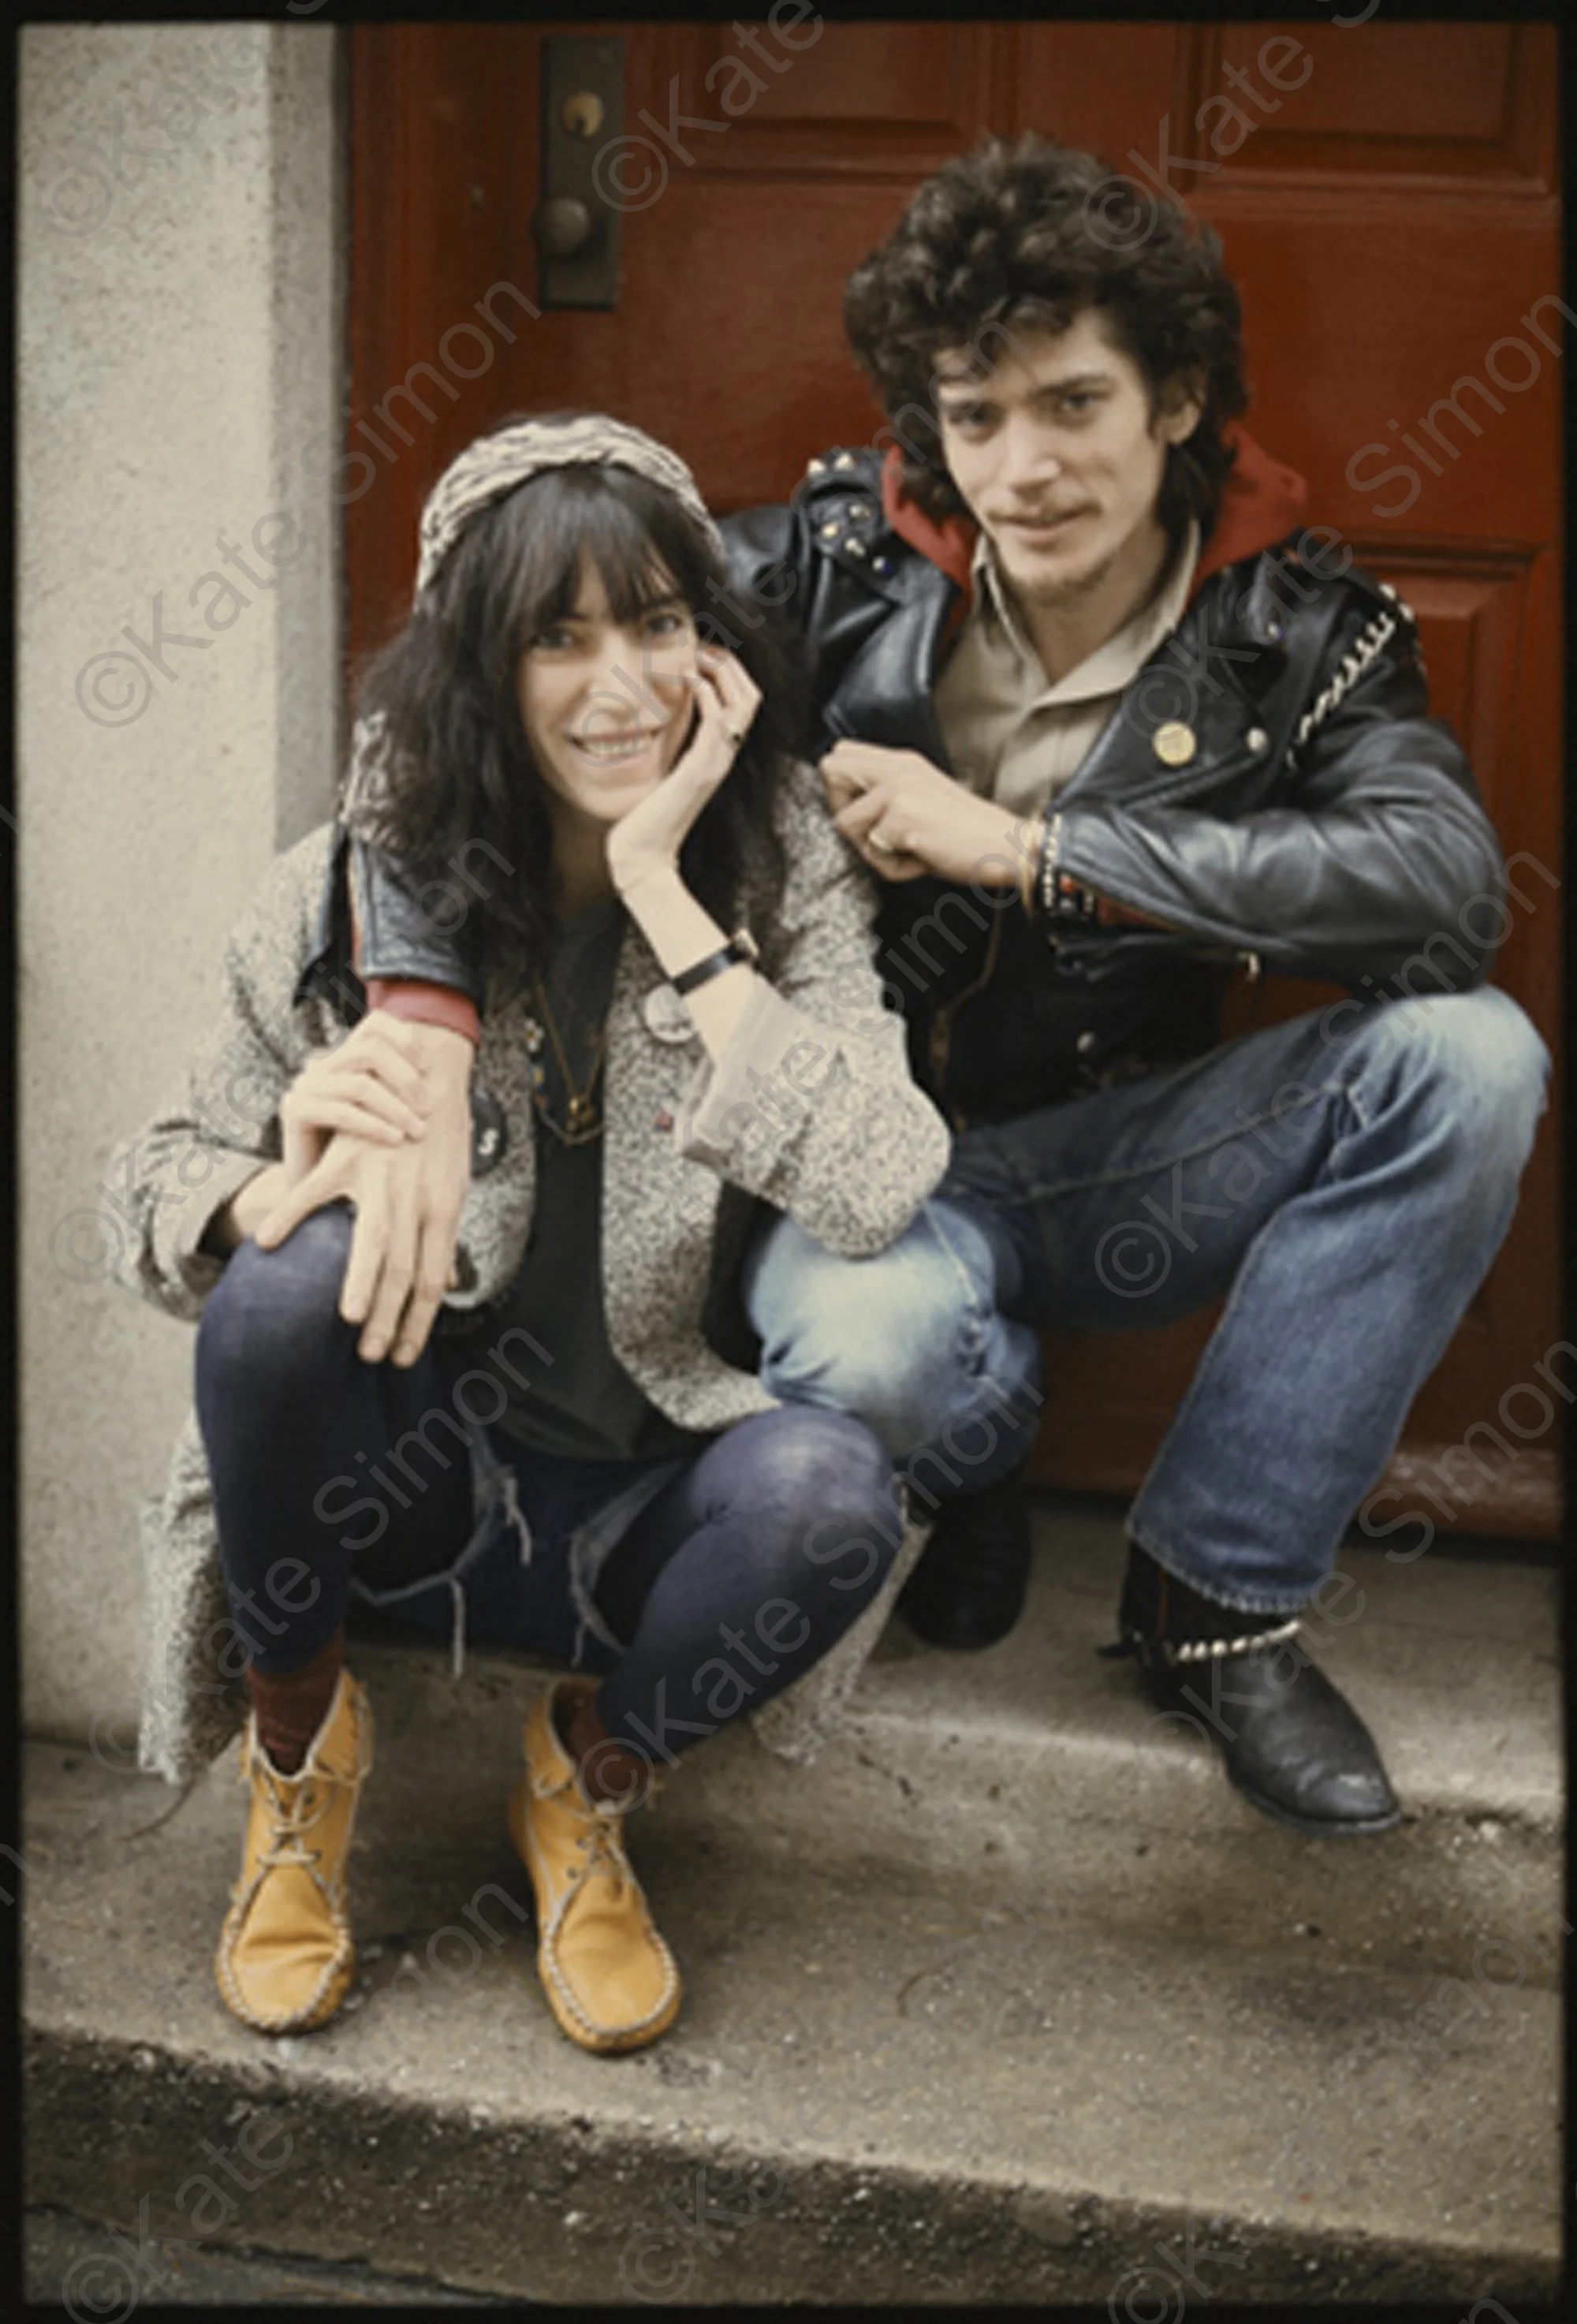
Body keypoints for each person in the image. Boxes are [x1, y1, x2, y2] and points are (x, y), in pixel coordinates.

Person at [348, 142, 1551, 1841]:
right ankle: (968, 1460)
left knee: (1470, 1059)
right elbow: (442, 701)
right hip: (853, 1183)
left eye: (1072, 405)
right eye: (975, 417)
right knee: (893, 1347)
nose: (1024, 467)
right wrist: (419, 1015)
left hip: (1109, 1151)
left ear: (1180, 398)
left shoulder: (1299, 630)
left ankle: (1214, 1600)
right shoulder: (829, 566)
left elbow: (1441, 893)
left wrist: (1025, 847)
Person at [109, 412, 979, 2054]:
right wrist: (259, 1188)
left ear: (714, 649)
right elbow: (142, 1184)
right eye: (558, 638)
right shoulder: (348, 894)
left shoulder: (780, 862)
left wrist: (667, 893)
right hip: (411, 1487)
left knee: (836, 1494)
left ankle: (584, 1788)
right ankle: (298, 1759)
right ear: (478, 673)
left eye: (659, 624)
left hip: (654, 1494)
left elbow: (878, 1179)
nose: (623, 686)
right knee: (286, 1290)